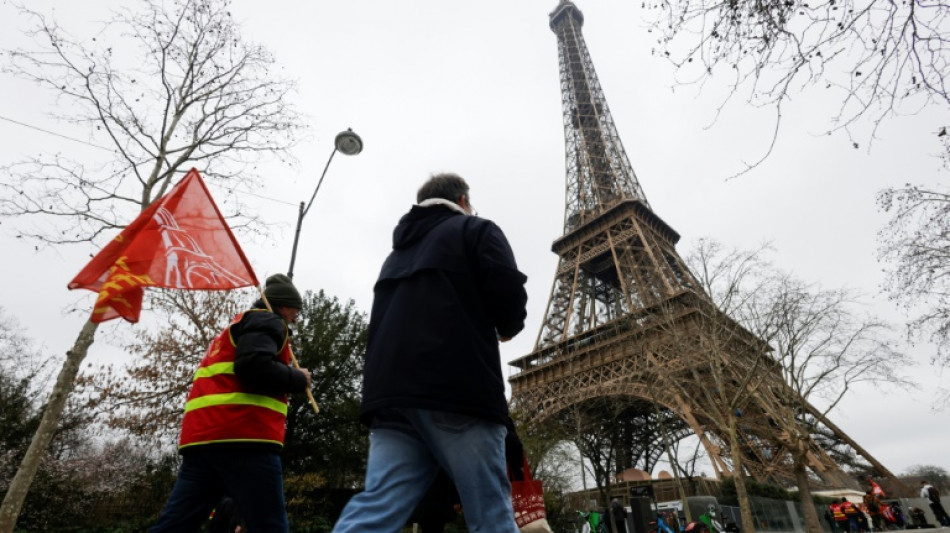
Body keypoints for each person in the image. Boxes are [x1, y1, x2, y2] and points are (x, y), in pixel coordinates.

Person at [331, 173, 529, 533]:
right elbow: (507, 292)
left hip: (391, 398)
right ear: (463, 200)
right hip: (456, 388)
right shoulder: (476, 230)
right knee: (491, 514)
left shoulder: (394, 256)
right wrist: (508, 327)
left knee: (375, 509)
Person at [150, 274, 312, 533]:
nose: (296, 317)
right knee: (270, 525)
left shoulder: (232, 330)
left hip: (203, 440)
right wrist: (297, 378)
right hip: (245, 437)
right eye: (295, 310)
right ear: (283, 305)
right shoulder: (268, 320)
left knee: (175, 525)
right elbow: (253, 366)